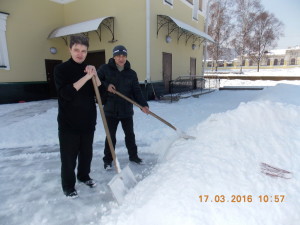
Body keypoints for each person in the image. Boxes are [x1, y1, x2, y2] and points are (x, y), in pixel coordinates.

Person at [54, 34, 102, 198]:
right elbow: (65, 94)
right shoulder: (61, 70)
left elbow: (101, 96)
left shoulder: (89, 70)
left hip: (88, 122)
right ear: (70, 49)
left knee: (86, 154)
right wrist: (86, 77)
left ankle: (84, 176)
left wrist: (95, 76)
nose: (80, 54)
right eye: (76, 50)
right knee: (68, 157)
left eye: (83, 50)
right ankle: (68, 185)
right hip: (69, 124)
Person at [97, 45, 149, 170]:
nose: (121, 58)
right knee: (110, 136)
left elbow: (137, 91)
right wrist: (106, 85)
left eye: (123, 56)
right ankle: (108, 160)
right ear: (114, 57)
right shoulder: (105, 69)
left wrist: (144, 105)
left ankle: (133, 156)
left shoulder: (131, 73)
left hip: (126, 109)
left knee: (130, 135)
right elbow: (95, 80)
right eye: (118, 56)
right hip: (110, 109)